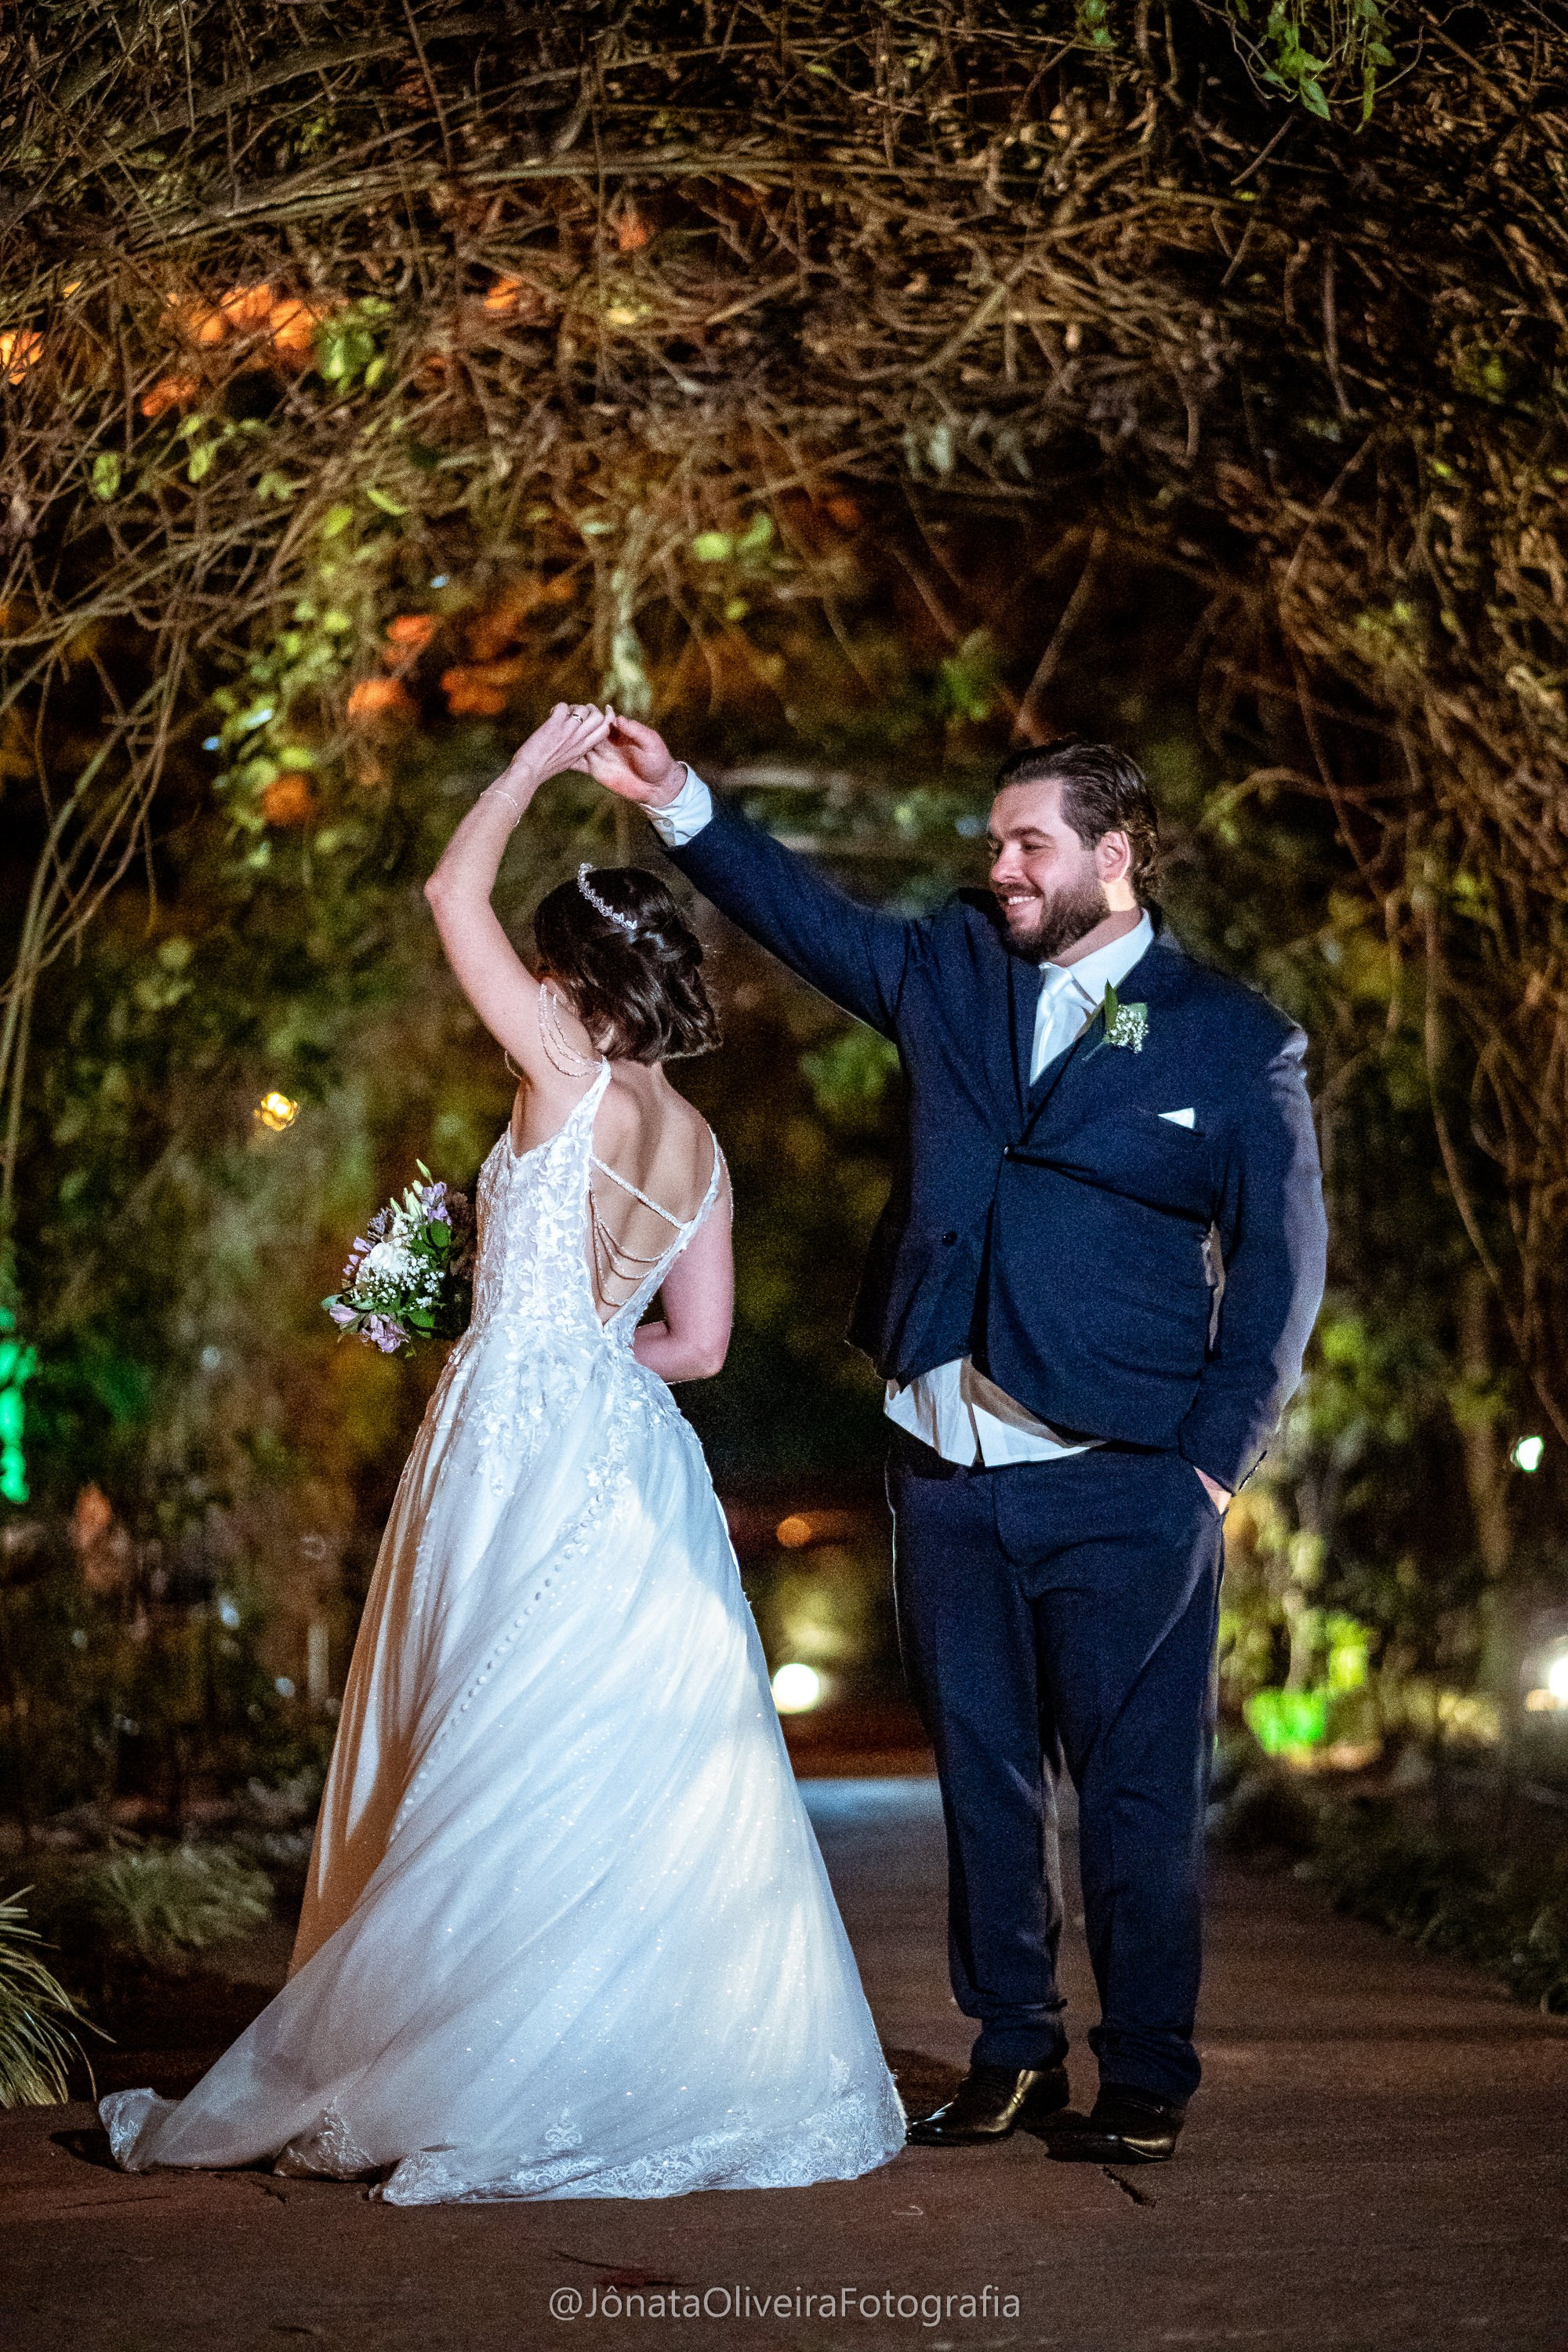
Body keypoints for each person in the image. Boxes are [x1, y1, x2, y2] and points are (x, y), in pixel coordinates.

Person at [100, 702, 905, 2202]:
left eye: (544, 964)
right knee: (594, 1753)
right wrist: (580, 1344)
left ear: (572, 975)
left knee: (472, 1725)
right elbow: (704, 1348)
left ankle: (447, 2058)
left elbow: (443, 897)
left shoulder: (561, 1069)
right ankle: (613, 2048)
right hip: (629, 1442)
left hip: (514, 1435)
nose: (523, 982)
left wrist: (530, 770)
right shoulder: (703, 1148)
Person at [587, 715, 1327, 2166]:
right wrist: (677, 800)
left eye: (1027, 844)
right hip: (946, 1465)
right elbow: (803, 916)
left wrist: (1207, 1466)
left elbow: (1284, 1270)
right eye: (996, 842)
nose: (997, 867)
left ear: (1115, 861)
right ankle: (1009, 2054)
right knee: (983, 1778)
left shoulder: (1234, 1038)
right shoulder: (949, 966)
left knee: (1131, 1789)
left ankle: (1148, 2069)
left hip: (1130, 1476)